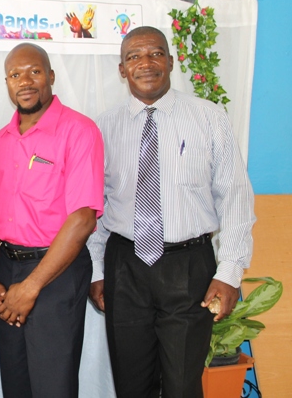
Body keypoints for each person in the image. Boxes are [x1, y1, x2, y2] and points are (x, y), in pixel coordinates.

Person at [87, 26, 256, 398]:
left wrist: (229, 274)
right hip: (125, 265)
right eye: (133, 56)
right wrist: (98, 272)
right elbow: (95, 206)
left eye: (155, 53)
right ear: (121, 69)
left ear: (171, 61)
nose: (145, 63)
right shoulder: (102, 127)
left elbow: (235, 198)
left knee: (182, 385)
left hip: (188, 267)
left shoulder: (209, 118)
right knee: (132, 384)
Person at [0, 42, 104, 398]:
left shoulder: (79, 130)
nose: (25, 81)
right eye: (15, 74)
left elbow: (82, 219)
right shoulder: (1, 140)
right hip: (7, 271)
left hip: (56, 274)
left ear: (50, 76)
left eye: (34, 71)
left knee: (53, 385)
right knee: (16, 383)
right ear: (6, 83)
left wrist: (31, 287)